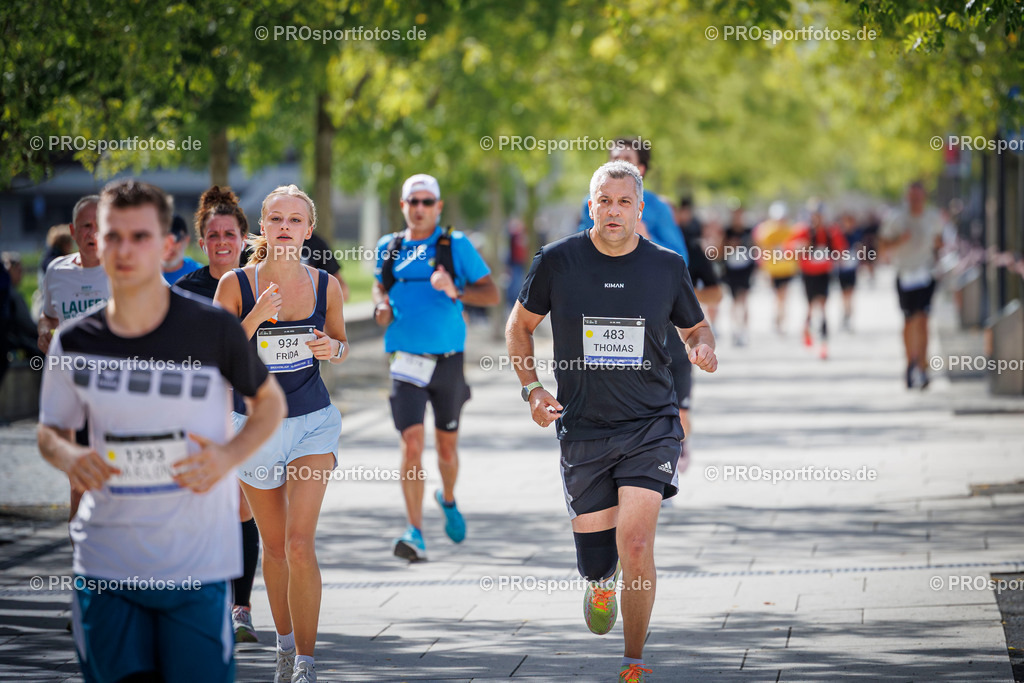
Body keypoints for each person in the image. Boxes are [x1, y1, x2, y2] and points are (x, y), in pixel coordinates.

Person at [36, 178, 286, 683]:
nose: (125, 250)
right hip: (107, 565)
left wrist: (224, 457)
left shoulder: (212, 328)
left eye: (141, 236)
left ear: (168, 246)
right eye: (113, 236)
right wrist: (70, 457)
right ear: (94, 242)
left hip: (196, 563)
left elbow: (269, 406)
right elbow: (50, 432)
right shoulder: (74, 340)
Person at [506, 161, 717, 683]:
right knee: (599, 561)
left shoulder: (665, 266)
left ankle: (633, 664)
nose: (614, 211)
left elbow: (695, 326)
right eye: (605, 201)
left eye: (625, 202)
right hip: (583, 428)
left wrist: (702, 346)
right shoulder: (558, 261)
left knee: (639, 544)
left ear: (640, 208)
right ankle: (601, 581)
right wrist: (532, 388)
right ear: (590, 204)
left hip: (652, 423)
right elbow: (520, 327)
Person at [215, 184, 348, 683]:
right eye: (276, 219)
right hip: (253, 426)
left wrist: (330, 349)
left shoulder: (325, 285)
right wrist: (255, 317)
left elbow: (340, 344)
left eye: (295, 220)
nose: (286, 228)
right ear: (262, 228)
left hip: (312, 422)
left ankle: (308, 665)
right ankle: (285, 646)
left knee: (298, 544)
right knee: (272, 548)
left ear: (308, 230)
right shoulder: (235, 283)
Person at [373, 173, 498, 562]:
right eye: (414, 201)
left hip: (447, 361)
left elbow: (492, 293)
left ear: (439, 207)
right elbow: (381, 284)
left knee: (446, 449)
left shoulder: (455, 245)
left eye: (428, 202)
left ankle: (447, 498)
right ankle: (415, 530)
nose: (420, 208)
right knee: (411, 445)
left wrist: (455, 289)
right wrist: (381, 304)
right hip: (405, 361)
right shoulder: (388, 247)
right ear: (403, 206)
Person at [174, 186, 264, 644]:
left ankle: (241, 608)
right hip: (200, 410)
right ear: (201, 241)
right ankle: (204, 601)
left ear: (245, 237)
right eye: (213, 235)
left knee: (242, 506)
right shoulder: (185, 292)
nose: (223, 241)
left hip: (250, 409)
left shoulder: (262, 284)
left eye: (231, 233)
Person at [880, 181, 943, 389]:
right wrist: (900, 240)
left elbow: (939, 240)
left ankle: (923, 367)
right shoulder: (896, 219)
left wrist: (938, 251)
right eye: (912, 197)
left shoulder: (933, 217)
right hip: (905, 274)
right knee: (909, 321)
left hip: (926, 274)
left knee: (924, 321)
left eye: (918, 197)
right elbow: (882, 245)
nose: (915, 201)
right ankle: (910, 363)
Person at [752, 201, 799, 334]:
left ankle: (780, 319)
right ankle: (778, 318)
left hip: (787, 268)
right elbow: (761, 247)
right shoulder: (766, 230)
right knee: (778, 296)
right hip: (773, 269)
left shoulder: (790, 229)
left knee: (783, 295)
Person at [721, 205, 755, 346]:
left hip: (745, 267)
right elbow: (720, 250)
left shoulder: (748, 230)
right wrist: (730, 245)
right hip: (731, 269)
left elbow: (755, 248)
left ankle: (745, 330)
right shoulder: (727, 231)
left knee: (744, 298)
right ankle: (735, 330)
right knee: (734, 301)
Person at [2, 252, 44, 359]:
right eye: (19, 271)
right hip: (17, 344)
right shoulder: (13, 295)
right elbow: (27, 325)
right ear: (9, 270)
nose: (22, 275)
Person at [301, 231, 351, 302]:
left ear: (310, 228)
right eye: (278, 219)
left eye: (296, 220)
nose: (285, 226)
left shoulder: (315, 244)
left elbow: (343, 292)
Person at [836, 212, 863, 332]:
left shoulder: (856, 234)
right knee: (844, 294)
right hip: (843, 268)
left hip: (852, 268)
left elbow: (860, 250)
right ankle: (845, 314)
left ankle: (849, 316)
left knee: (850, 293)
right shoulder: (839, 235)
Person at [162, 215, 202, 285]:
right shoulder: (144, 274)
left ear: (186, 240)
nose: (171, 246)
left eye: (176, 239)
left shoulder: (200, 275)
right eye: (164, 239)